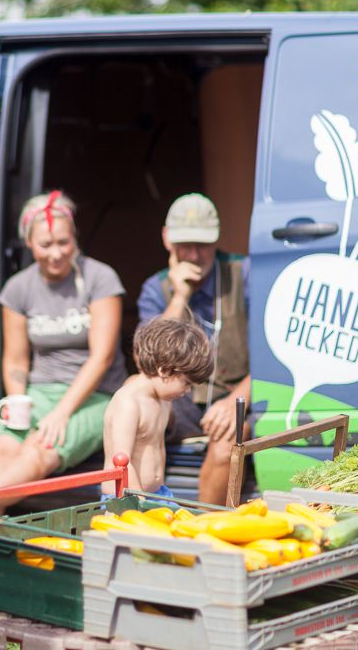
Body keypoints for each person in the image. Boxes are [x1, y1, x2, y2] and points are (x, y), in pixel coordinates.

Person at [0, 191, 126, 566]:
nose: (56, 253)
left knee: (38, 451)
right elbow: (16, 359)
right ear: (28, 243)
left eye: (63, 242)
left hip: (95, 394)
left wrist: (61, 413)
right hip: (40, 391)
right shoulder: (19, 288)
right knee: (1, 450)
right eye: (45, 245)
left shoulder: (101, 278)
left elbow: (102, 357)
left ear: (75, 238)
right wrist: (18, 399)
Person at [135, 193, 251, 505]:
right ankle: (142, 512)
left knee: (229, 442)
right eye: (184, 245)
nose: (194, 255)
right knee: (135, 402)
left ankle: (204, 524)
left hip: (234, 393)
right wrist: (180, 296)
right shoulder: (156, 288)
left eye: (202, 244)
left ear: (216, 240)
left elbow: (273, 352)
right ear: (167, 239)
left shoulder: (243, 273)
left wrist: (237, 400)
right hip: (178, 399)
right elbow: (148, 361)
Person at [103, 316, 214, 496]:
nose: (187, 391)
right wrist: (139, 501)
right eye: (186, 383)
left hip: (157, 493)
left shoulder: (164, 401)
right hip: (125, 498)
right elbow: (121, 462)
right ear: (164, 370)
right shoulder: (129, 403)